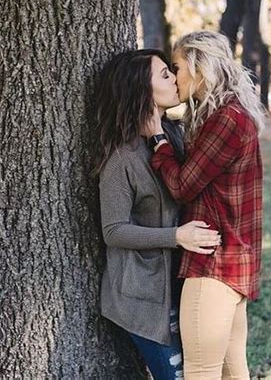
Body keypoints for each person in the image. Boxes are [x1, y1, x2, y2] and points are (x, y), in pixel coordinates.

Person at [94, 49, 221, 380]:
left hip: (180, 289)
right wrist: (176, 237)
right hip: (142, 299)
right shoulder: (122, 159)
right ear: (141, 90)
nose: (175, 79)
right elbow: (114, 230)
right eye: (166, 74)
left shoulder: (176, 137)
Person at [146, 31, 265, 380]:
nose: (174, 75)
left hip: (214, 262)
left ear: (200, 67)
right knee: (231, 370)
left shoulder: (227, 118)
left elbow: (183, 187)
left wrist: (157, 138)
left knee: (202, 371)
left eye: (177, 67)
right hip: (231, 259)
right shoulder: (225, 112)